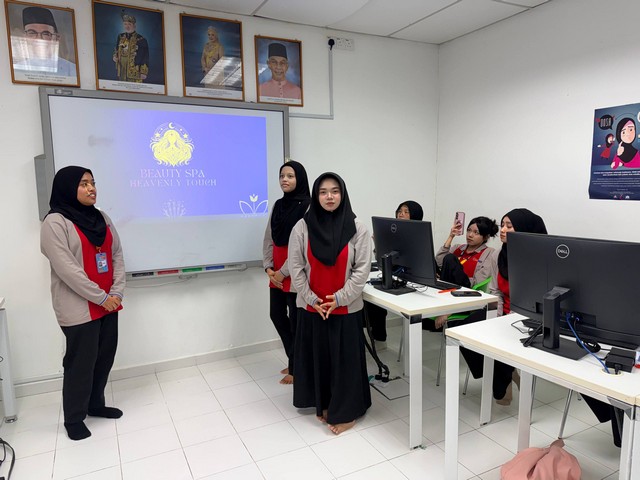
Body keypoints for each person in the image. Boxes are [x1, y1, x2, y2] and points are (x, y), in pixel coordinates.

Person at [40, 166, 125, 441]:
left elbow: (116, 256)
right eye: (83, 184)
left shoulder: (102, 217)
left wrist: (117, 293)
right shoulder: (55, 222)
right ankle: (74, 418)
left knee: (104, 357)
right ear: (67, 188)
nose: (91, 189)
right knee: (80, 363)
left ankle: (95, 405)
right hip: (79, 306)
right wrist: (103, 297)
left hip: (109, 303)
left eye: (93, 182)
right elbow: (68, 270)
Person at [289, 172, 372, 435]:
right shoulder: (302, 227)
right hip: (312, 306)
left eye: (335, 191)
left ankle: (346, 412)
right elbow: (296, 268)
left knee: (345, 363)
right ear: (316, 195)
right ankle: (323, 402)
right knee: (320, 358)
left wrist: (338, 299)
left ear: (342, 194)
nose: (329, 197)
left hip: (344, 307)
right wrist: (313, 299)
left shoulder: (358, 228)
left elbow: (361, 271)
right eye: (323, 192)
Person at [488, 208, 548, 405]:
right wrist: (496, 318)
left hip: (529, 319)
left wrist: (508, 320)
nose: (503, 230)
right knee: (466, 330)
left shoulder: (539, 259)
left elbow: (535, 300)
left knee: (502, 342)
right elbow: (495, 291)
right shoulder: (499, 255)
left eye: (509, 226)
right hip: (503, 314)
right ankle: (508, 374)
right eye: (502, 225)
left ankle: (504, 380)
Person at [262, 161, 311, 384]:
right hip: (276, 273)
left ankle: (296, 367)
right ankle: (295, 360)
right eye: (282, 175)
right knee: (277, 315)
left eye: (290, 176)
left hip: (295, 272)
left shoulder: (309, 207)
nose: (285, 179)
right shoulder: (278, 205)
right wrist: (268, 267)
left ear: (299, 179)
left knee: (296, 323)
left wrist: (283, 272)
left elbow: (303, 248)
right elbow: (268, 237)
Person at [365, 200, 424, 347]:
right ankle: (378, 336)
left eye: (406, 212)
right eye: (399, 211)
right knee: (372, 298)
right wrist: (379, 243)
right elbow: (383, 259)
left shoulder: (419, 237)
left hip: (415, 282)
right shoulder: (394, 234)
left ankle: (378, 337)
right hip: (396, 277)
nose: (401, 214)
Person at [433, 216, 499, 329]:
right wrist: (451, 236)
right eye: (468, 230)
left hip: (466, 291)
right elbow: (439, 261)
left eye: (476, 233)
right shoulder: (458, 248)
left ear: (485, 236)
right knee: (432, 259)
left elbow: (478, 282)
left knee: (449, 258)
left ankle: (448, 310)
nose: (470, 235)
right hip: (447, 289)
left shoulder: (489, 253)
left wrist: (453, 272)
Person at [16, 6, 76, 77]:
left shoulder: (72, 70)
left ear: (57, 38)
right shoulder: (17, 69)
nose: (39, 39)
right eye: (32, 33)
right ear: (24, 37)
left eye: (46, 34)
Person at [112, 11, 149, 83]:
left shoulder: (141, 39)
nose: (127, 26)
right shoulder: (120, 36)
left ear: (134, 25)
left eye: (129, 24)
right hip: (122, 70)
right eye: (125, 24)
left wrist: (143, 72)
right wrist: (115, 56)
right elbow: (116, 50)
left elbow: (145, 56)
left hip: (135, 70)